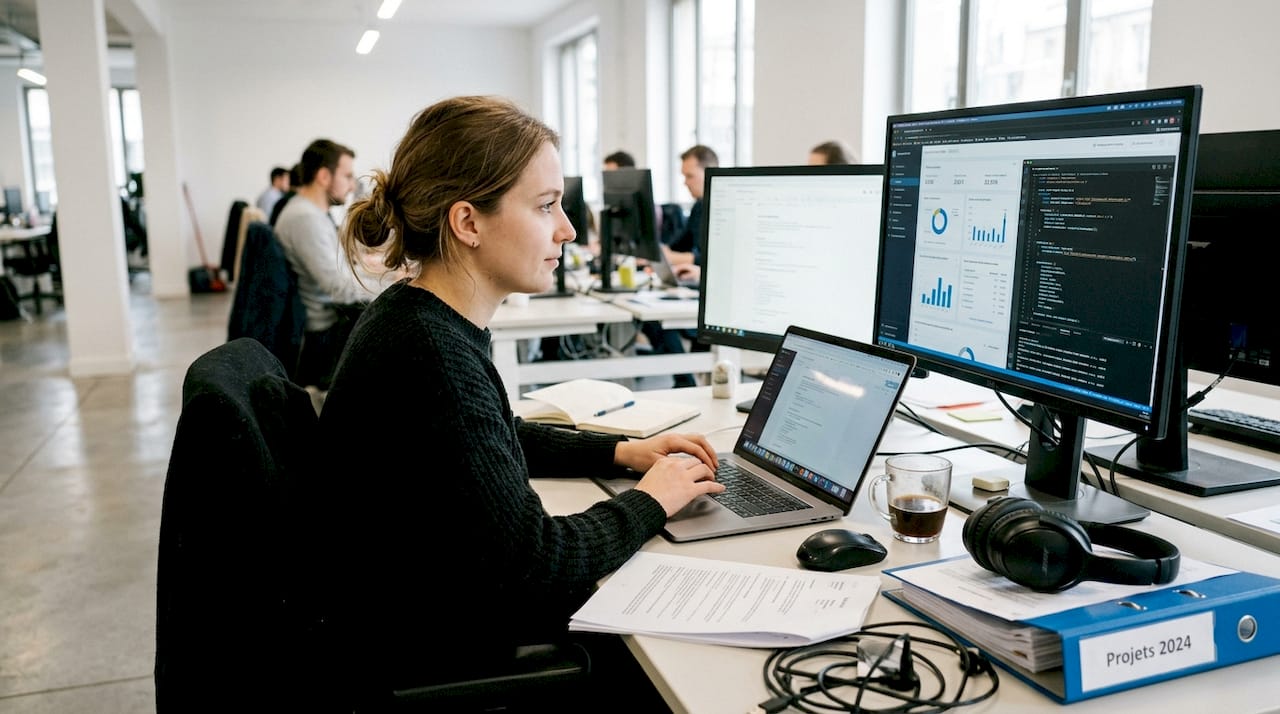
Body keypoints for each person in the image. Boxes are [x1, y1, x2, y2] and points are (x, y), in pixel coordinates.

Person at [313, 95, 724, 708]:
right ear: (468, 223)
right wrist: (653, 500)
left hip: (403, 609)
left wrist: (624, 451)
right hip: (437, 643)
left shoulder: (418, 319)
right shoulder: (432, 353)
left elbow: (494, 434)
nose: (568, 229)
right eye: (546, 206)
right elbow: (538, 566)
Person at [274, 139, 376, 389]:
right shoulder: (305, 218)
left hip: (332, 322)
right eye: (347, 176)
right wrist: (390, 289)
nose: (352, 185)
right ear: (323, 176)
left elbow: (338, 270)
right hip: (327, 334)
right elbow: (337, 287)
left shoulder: (313, 214)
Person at [667, 144, 719, 283]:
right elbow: (680, 244)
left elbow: (714, 259)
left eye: (690, 176)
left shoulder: (724, 211)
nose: (685, 183)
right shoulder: (699, 206)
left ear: (709, 172)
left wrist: (672, 257)